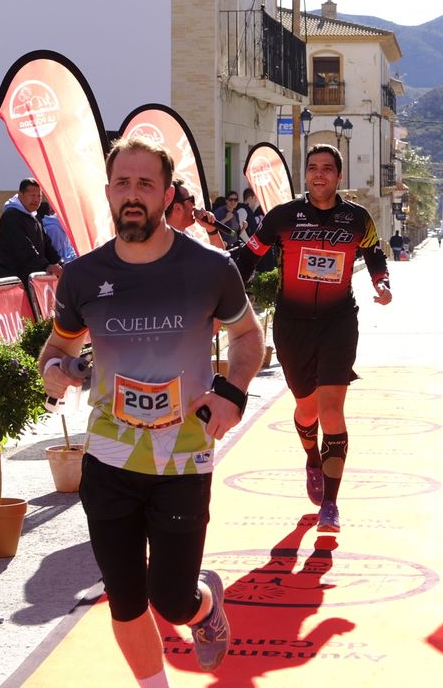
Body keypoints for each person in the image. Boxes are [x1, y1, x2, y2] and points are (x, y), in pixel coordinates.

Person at [40, 134, 264, 681]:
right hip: (111, 459)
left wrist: (230, 394)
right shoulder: (83, 277)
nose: (133, 194)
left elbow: (248, 338)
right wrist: (55, 373)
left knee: (172, 599)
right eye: (123, 183)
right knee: (125, 598)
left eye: (145, 183)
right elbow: (58, 350)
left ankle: (204, 603)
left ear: (167, 194)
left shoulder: (209, 268)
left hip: (183, 457)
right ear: (110, 193)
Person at [233, 144, 392, 533]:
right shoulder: (283, 217)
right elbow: (249, 257)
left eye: (327, 169)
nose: (319, 174)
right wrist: (220, 283)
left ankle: (331, 505)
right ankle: (311, 457)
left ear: (339, 176)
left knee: (332, 409)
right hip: (293, 325)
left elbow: (374, 254)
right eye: (313, 168)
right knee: (307, 410)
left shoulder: (358, 219)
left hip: (339, 321)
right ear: (306, 175)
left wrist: (382, 283)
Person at [0, 179, 63, 280]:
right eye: (32, 195)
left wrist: (60, 264)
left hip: (30, 277)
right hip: (13, 278)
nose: (36, 200)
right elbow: (22, 247)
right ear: (21, 195)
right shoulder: (11, 216)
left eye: (39, 196)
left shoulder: (34, 216)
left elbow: (46, 244)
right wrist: (45, 266)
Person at [165, 178, 225, 249]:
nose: (194, 205)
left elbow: (219, 258)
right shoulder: (160, 240)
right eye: (191, 200)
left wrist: (211, 229)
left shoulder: (187, 235)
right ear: (177, 207)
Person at [37, 199, 78, 263]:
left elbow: (68, 248)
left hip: (68, 262)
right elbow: (57, 255)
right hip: (64, 265)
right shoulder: (53, 229)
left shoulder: (60, 225)